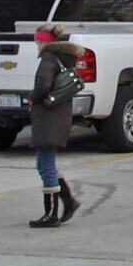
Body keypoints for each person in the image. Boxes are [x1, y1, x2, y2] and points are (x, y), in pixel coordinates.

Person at [27, 25, 81, 228]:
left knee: (46, 166)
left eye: (38, 41)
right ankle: (68, 201)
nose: (37, 44)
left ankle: (51, 214)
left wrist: (32, 99)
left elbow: (42, 85)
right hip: (59, 115)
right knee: (45, 164)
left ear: (43, 41)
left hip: (48, 117)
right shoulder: (63, 58)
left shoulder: (48, 59)